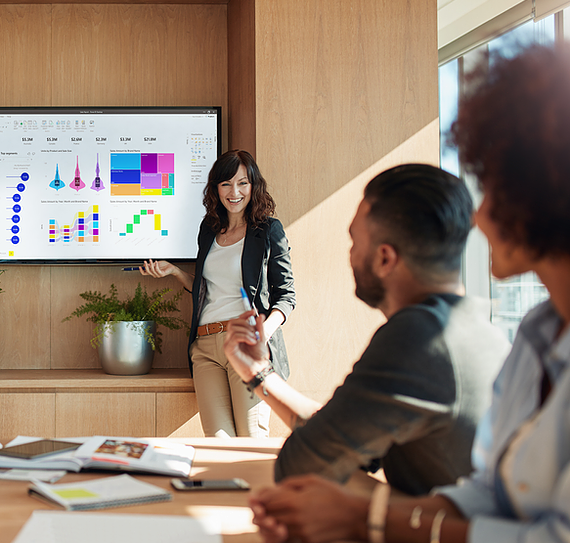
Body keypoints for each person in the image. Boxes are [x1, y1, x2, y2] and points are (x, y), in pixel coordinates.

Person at [247, 43, 570, 543]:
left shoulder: (422, 335)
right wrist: (261, 375)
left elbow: (306, 457)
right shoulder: (532, 331)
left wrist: (366, 517)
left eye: (498, 189)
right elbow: (492, 495)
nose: (480, 219)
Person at [224, 163, 509, 494]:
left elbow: (301, 462)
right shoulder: (472, 328)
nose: (350, 255)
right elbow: (333, 436)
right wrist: (259, 373)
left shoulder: (418, 338)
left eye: (354, 242)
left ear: (385, 258)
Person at [141, 149, 295, 438]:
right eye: (226, 184)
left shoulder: (268, 230)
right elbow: (205, 288)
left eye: (242, 183)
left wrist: (262, 333)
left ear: (253, 186)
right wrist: (174, 271)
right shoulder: (209, 229)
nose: (234, 192)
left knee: (251, 440)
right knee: (219, 442)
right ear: (216, 188)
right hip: (205, 348)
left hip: (245, 344)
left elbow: (286, 297)